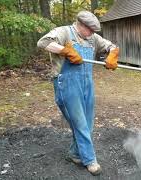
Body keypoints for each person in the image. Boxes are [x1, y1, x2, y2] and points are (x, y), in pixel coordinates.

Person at [37, 11, 119, 175]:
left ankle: (75, 154)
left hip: (87, 83)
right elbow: (42, 42)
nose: (93, 33)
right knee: (80, 123)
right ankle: (90, 160)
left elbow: (110, 46)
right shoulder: (64, 32)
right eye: (90, 30)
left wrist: (113, 53)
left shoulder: (93, 38)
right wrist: (64, 51)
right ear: (80, 25)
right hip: (66, 84)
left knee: (88, 123)